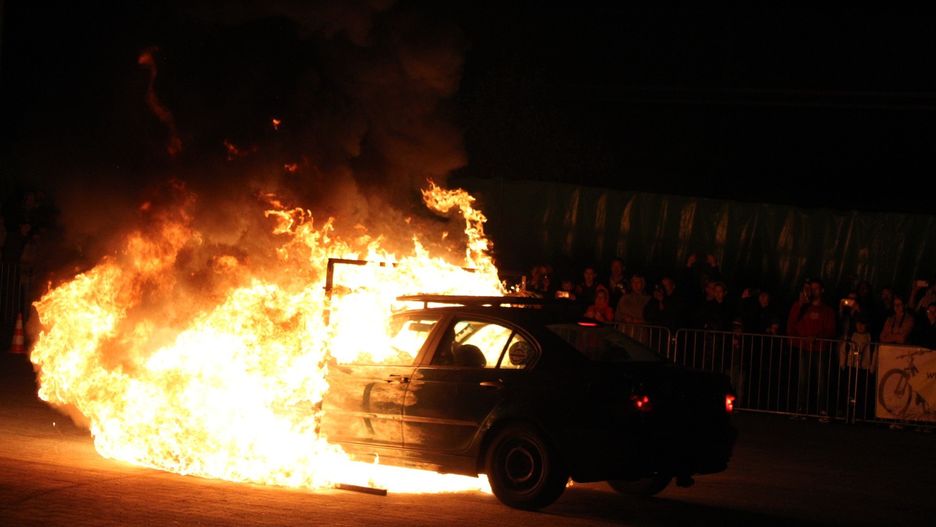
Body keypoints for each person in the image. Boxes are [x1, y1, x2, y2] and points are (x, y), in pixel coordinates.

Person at [787, 278, 837, 419]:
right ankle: (802, 407)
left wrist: (816, 336)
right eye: (811, 288)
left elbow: (831, 330)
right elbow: (793, 324)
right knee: (803, 379)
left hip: (821, 349)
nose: (813, 291)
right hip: (805, 348)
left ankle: (822, 409)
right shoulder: (802, 307)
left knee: (822, 380)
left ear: (822, 290)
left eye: (816, 288)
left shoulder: (827, 311)